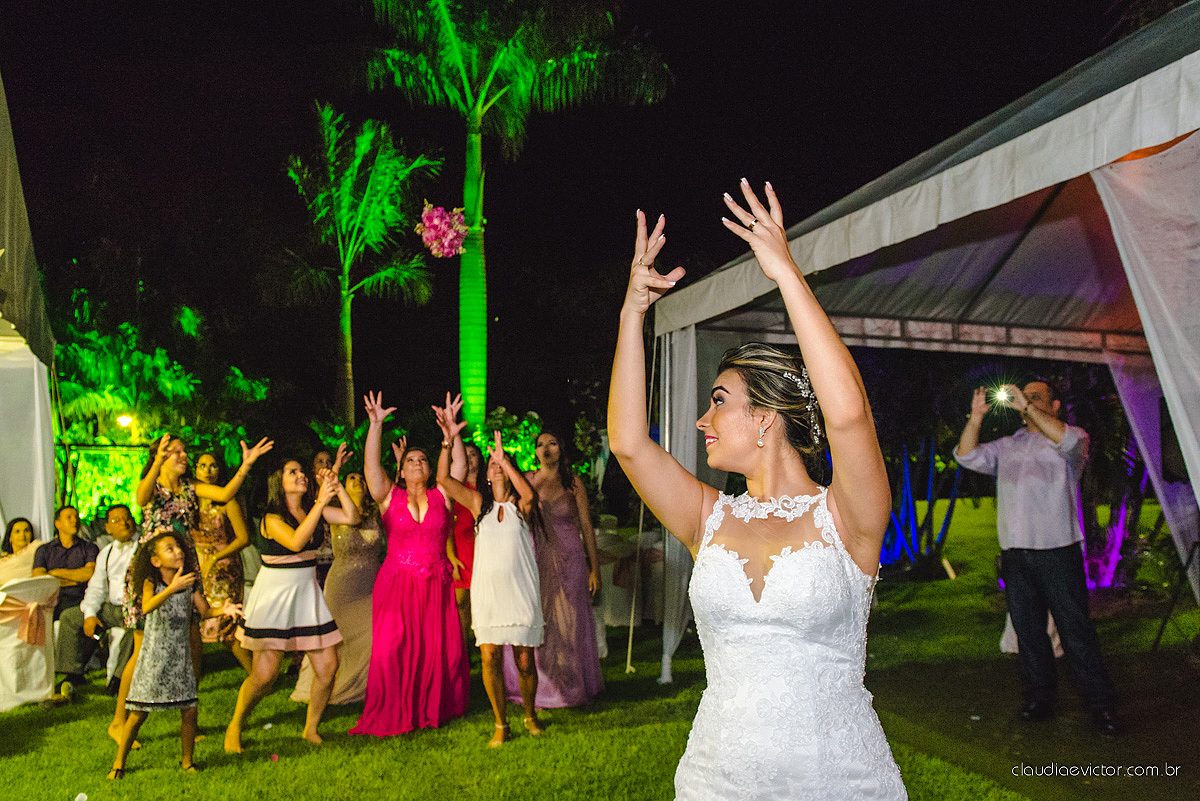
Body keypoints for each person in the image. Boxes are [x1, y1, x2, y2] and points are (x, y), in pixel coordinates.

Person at [608, 183, 907, 799]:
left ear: (766, 417)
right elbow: (629, 444)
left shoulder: (847, 516)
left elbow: (848, 415)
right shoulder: (706, 517)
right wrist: (631, 313)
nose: (702, 421)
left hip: (838, 780)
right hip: (719, 779)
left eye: (719, 403)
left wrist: (785, 273)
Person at [955, 381, 1120, 734]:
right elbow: (966, 455)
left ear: (1055, 404)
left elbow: (1070, 442)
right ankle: (1040, 699)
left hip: (1058, 549)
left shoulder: (1070, 439)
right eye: (1022, 397)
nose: (1025, 402)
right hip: (1016, 552)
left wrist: (1026, 408)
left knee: (1076, 631)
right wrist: (977, 417)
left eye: (1035, 397)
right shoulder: (1007, 445)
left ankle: (1101, 706)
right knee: (1029, 633)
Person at [109, 432, 272, 746]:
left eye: (185, 451)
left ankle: (189, 719)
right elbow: (140, 499)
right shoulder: (153, 485)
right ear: (163, 455)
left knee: (194, 643)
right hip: (154, 570)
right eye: (178, 452)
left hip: (186, 568)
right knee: (142, 649)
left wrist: (246, 465)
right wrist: (157, 460)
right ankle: (118, 722)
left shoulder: (190, 488)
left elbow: (225, 492)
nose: (185, 456)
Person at [349, 391, 469, 736]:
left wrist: (451, 434)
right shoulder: (389, 497)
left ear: (431, 469)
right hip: (396, 584)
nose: (416, 463)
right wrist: (375, 426)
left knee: (434, 651)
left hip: (435, 584)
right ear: (400, 470)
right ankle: (395, 707)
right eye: (410, 460)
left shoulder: (441, 495)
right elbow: (372, 468)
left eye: (423, 460)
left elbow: (457, 468)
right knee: (392, 649)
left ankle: (431, 707)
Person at [224, 462, 358, 752]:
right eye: (292, 472)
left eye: (301, 472)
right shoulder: (271, 518)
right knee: (265, 676)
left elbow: (352, 516)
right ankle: (235, 724)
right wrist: (321, 502)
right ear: (278, 481)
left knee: (328, 666)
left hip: (306, 593)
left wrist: (337, 489)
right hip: (275, 596)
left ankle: (311, 728)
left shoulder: (314, 508)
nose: (301, 476)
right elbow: (297, 542)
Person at [438, 409, 545, 746]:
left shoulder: (521, 505)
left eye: (501, 462)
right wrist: (447, 441)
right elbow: (443, 480)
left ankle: (529, 714)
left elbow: (529, 495)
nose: (496, 465)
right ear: (485, 473)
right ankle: (501, 723)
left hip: (520, 590)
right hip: (488, 592)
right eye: (492, 462)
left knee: (525, 660)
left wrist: (505, 460)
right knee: (489, 657)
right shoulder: (477, 503)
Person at [108, 532, 237, 779]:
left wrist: (225, 609)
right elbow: (147, 606)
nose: (178, 551)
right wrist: (172, 588)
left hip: (180, 657)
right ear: (156, 561)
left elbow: (206, 610)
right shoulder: (151, 583)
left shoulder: (189, 584)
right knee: (138, 714)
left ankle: (188, 761)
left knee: (189, 711)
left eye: (178, 547)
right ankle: (119, 763)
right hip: (154, 657)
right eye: (169, 548)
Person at [503, 430, 604, 708]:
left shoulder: (573, 484)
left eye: (553, 443)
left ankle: (572, 684)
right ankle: (541, 685)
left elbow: (586, 527)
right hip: (536, 558)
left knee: (569, 622)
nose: (546, 449)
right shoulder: (528, 481)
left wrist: (594, 568)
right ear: (534, 451)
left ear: (561, 448)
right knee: (540, 620)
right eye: (540, 445)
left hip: (570, 558)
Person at [291, 469, 383, 706]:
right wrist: (333, 482)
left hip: (370, 585)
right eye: (353, 478)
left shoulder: (377, 512)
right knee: (333, 639)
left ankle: (362, 685)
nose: (359, 481)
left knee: (374, 634)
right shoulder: (332, 512)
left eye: (362, 478)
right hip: (342, 586)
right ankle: (323, 685)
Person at [58, 505, 139, 695]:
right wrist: (90, 614)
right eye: (116, 520)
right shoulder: (107, 552)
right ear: (108, 528)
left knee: (134, 625)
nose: (124, 523)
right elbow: (96, 587)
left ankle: (119, 679)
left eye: (127, 518)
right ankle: (73, 673)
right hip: (111, 607)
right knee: (70, 617)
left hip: (135, 607)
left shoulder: (144, 546)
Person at [193, 452, 253, 672]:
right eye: (202, 466)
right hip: (196, 566)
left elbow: (244, 538)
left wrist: (216, 557)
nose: (208, 472)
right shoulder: (189, 502)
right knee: (194, 623)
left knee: (226, 626)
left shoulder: (227, 501)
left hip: (224, 568)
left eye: (213, 466)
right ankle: (193, 678)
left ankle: (256, 675)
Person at [33, 506, 99, 696]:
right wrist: (73, 577)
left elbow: (88, 574)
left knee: (72, 616)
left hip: (79, 597)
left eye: (76, 517)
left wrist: (54, 574)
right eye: (69, 517)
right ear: (57, 523)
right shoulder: (44, 550)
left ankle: (72, 670)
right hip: (50, 598)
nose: (74, 520)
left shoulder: (88, 548)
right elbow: (39, 577)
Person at [451, 440, 485, 644]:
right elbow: (445, 524)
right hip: (461, 549)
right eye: (466, 454)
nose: (470, 459)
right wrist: (450, 555)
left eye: (473, 454)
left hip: (483, 550)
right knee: (461, 602)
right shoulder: (456, 488)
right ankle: (462, 646)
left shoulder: (487, 486)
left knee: (484, 601)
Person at [0, 517, 42, 585]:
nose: (22, 535)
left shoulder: (37, 547)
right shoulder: (3, 556)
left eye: (26, 530)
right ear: (10, 537)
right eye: (17, 531)